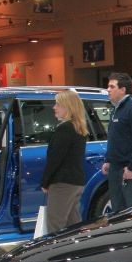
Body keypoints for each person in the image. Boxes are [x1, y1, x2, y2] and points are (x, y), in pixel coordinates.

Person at [40, 89, 88, 234]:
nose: (54, 107)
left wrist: (45, 182)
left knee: (55, 227)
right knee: (74, 226)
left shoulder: (65, 129)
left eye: (58, 104)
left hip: (63, 184)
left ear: (68, 106)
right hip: (76, 183)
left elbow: (55, 159)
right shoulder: (78, 127)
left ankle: (56, 250)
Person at [101, 72, 132, 214]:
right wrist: (108, 160)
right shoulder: (116, 109)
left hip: (128, 169)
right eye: (108, 86)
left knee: (131, 210)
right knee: (117, 209)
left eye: (112, 86)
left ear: (122, 90)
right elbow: (115, 138)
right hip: (115, 168)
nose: (108, 90)